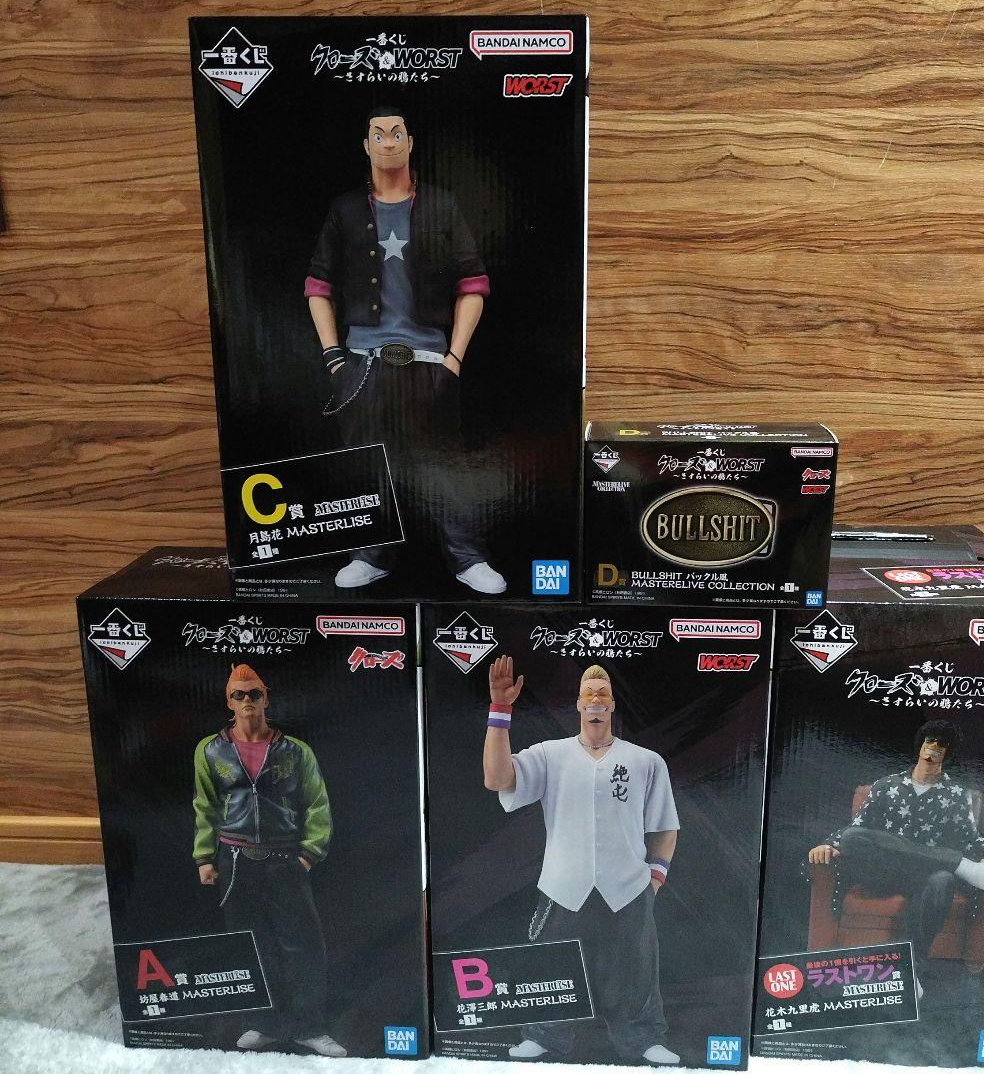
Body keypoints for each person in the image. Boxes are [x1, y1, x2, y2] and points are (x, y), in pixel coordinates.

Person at [305, 104, 506, 595]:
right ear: (366, 145)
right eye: (379, 134)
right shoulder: (346, 210)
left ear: (411, 142)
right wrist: (334, 357)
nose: (389, 141)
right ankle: (370, 554)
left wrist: (453, 358)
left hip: (429, 363)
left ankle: (467, 557)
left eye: (397, 133)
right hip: (364, 365)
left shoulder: (441, 205)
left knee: (445, 465)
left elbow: (473, 284)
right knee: (368, 465)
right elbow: (317, 286)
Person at [483, 656, 681, 1065]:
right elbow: (497, 779)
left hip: (628, 885)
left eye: (603, 693)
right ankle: (544, 1035)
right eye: (588, 693)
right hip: (563, 883)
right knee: (552, 964)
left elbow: (665, 826)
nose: (595, 699)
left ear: (612, 704)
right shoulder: (549, 755)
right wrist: (500, 709)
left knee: (636, 966)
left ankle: (643, 1038)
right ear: (577, 704)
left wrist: (655, 878)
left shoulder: (645, 760)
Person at [192, 664, 344, 1057]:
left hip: (284, 857)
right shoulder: (210, 749)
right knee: (251, 944)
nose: (247, 701)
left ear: (266, 697)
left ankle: (309, 1026)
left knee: (303, 944)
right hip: (235, 859)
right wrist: (205, 857)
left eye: (254, 693)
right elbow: (205, 805)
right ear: (228, 701)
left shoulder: (295, 751)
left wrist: (308, 854)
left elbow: (317, 804)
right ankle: (264, 1024)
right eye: (238, 694)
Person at [807, 719, 984, 997]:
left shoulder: (956, 795)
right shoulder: (885, 786)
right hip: (883, 873)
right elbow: (857, 828)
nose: (934, 748)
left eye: (942, 745)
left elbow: (970, 839)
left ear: (948, 753)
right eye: (930, 742)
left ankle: (910, 972)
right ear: (920, 745)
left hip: (925, 879)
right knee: (853, 838)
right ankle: (956, 862)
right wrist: (827, 845)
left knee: (943, 880)